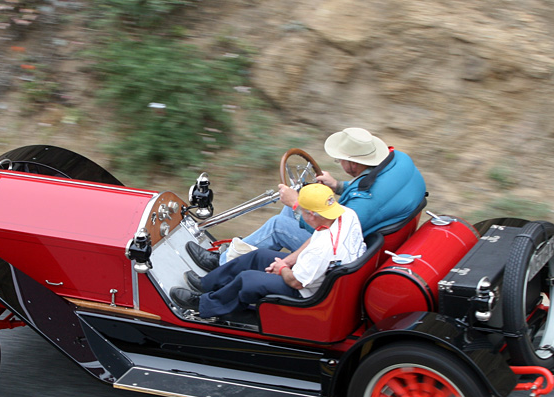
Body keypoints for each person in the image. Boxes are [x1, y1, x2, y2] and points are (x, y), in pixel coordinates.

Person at [186, 127, 426, 271]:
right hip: (381, 234)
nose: (340, 165)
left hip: (349, 251)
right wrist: (338, 185)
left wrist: (295, 202)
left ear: (353, 162)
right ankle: (242, 257)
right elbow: (377, 191)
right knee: (287, 216)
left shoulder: (366, 197)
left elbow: (336, 227)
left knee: (279, 225)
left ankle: (223, 262)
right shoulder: (399, 160)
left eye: (340, 161)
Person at [172, 184, 365, 318]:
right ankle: (208, 283)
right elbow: (315, 238)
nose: (298, 214)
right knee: (258, 255)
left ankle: (205, 305)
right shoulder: (345, 215)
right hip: (318, 272)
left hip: (310, 292)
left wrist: (282, 269)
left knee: (249, 280)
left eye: (301, 212)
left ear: (312, 215)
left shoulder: (323, 249)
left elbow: (296, 282)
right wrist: (287, 261)